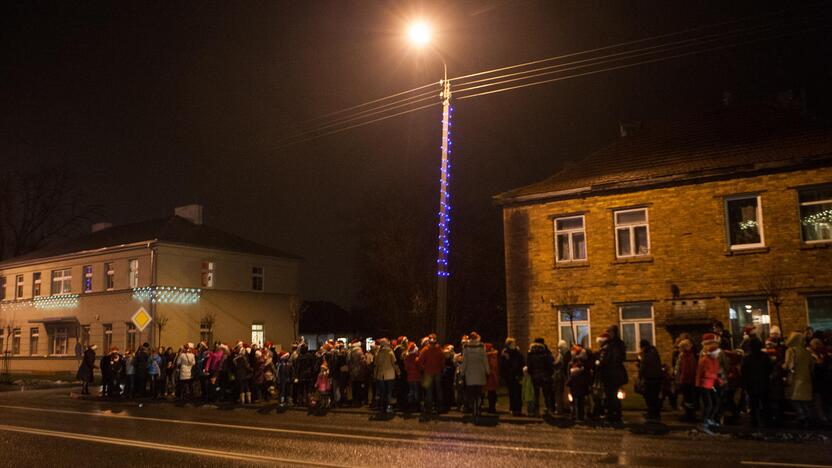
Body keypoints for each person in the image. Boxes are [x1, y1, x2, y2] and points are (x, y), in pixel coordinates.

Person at [597, 326, 628, 423]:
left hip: (611, 374)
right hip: (615, 373)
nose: (607, 334)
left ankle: (612, 415)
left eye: (609, 332)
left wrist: (599, 362)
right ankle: (615, 414)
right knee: (613, 395)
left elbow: (607, 360)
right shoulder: (618, 344)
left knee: (611, 395)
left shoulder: (612, 345)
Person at [784, 331, 813, 428]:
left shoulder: (791, 351)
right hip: (806, 377)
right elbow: (811, 365)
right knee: (804, 400)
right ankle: (808, 417)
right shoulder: (807, 351)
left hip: (795, 378)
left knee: (794, 399)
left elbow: (788, 365)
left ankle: (802, 417)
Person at [741, 337, 772, 427]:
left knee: (753, 403)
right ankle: (766, 420)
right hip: (763, 382)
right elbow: (769, 369)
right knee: (765, 402)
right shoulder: (765, 356)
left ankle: (754, 420)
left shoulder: (747, 358)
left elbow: (744, 372)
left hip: (751, 384)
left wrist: (744, 384)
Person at [696, 333, 723, 431]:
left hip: (711, 384)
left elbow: (715, 371)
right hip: (706, 384)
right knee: (710, 404)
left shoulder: (713, 360)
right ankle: (705, 421)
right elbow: (705, 373)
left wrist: (719, 379)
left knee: (715, 402)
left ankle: (709, 419)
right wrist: (716, 377)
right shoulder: (705, 360)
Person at [461, 332, 489, 417]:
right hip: (480, 372)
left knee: (472, 392)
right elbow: (485, 360)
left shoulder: (466, 347)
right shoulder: (481, 346)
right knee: (479, 392)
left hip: (470, 373)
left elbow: (465, 361)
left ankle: (474, 407)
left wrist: (462, 372)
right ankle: (478, 407)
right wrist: (487, 371)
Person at [526, 337, 555, 416]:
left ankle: (536, 410)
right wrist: (550, 373)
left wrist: (531, 373)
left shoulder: (531, 352)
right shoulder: (546, 352)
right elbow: (550, 364)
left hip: (535, 376)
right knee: (546, 393)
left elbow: (529, 366)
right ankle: (547, 409)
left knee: (536, 394)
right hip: (545, 376)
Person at [418, 334, 445, 415]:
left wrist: (423, 368)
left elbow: (420, 361)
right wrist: (441, 368)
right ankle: (439, 408)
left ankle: (429, 408)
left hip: (428, 373)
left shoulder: (425, 350)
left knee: (429, 391)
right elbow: (442, 361)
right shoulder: (439, 349)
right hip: (437, 372)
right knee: (438, 389)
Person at [638, 339, 662, 422]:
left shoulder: (647, 354)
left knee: (650, 397)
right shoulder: (654, 352)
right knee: (654, 397)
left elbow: (643, 367)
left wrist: (640, 376)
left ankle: (653, 414)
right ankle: (654, 413)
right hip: (657, 378)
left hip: (650, 378)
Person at [500, 338, 525, 416]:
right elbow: (503, 365)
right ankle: (513, 408)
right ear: (509, 344)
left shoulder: (517, 352)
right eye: (513, 343)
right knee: (512, 393)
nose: (514, 344)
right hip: (510, 376)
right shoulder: (505, 353)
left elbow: (522, 362)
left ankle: (518, 409)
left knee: (518, 392)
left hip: (517, 375)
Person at [675, 337, 698, 422]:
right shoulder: (690, 355)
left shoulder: (685, 355)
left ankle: (689, 416)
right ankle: (690, 414)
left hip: (686, 380)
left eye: (680, 347)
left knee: (687, 398)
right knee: (689, 398)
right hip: (690, 380)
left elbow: (685, 369)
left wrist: (681, 380)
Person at [374, 338, 399, 414]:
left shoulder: (378, 353)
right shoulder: (390, 352)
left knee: (383, 392)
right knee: (389, 392)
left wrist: (375, 375)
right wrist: (398, 372)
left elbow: (376, 365)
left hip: (381, 375)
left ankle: (382, 408)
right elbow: (394, 363)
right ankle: (388, 407)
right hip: (390, 375)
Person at [403, 342, 421, 413]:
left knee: (411, 391)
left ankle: (411, 406)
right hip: (416, 377)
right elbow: (420, 367)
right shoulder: (417, 357)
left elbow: (406, 368)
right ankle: (416, 406)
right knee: (416, 392)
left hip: (410, 377)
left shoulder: (407, 357)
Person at [485, 343, 500, 414]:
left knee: (491, 393)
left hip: (491, 376)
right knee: (491, 392)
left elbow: (492, 366)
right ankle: (492, 407)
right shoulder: (493, 355)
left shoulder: (490, 356)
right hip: (493, 376)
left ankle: (492, 408)